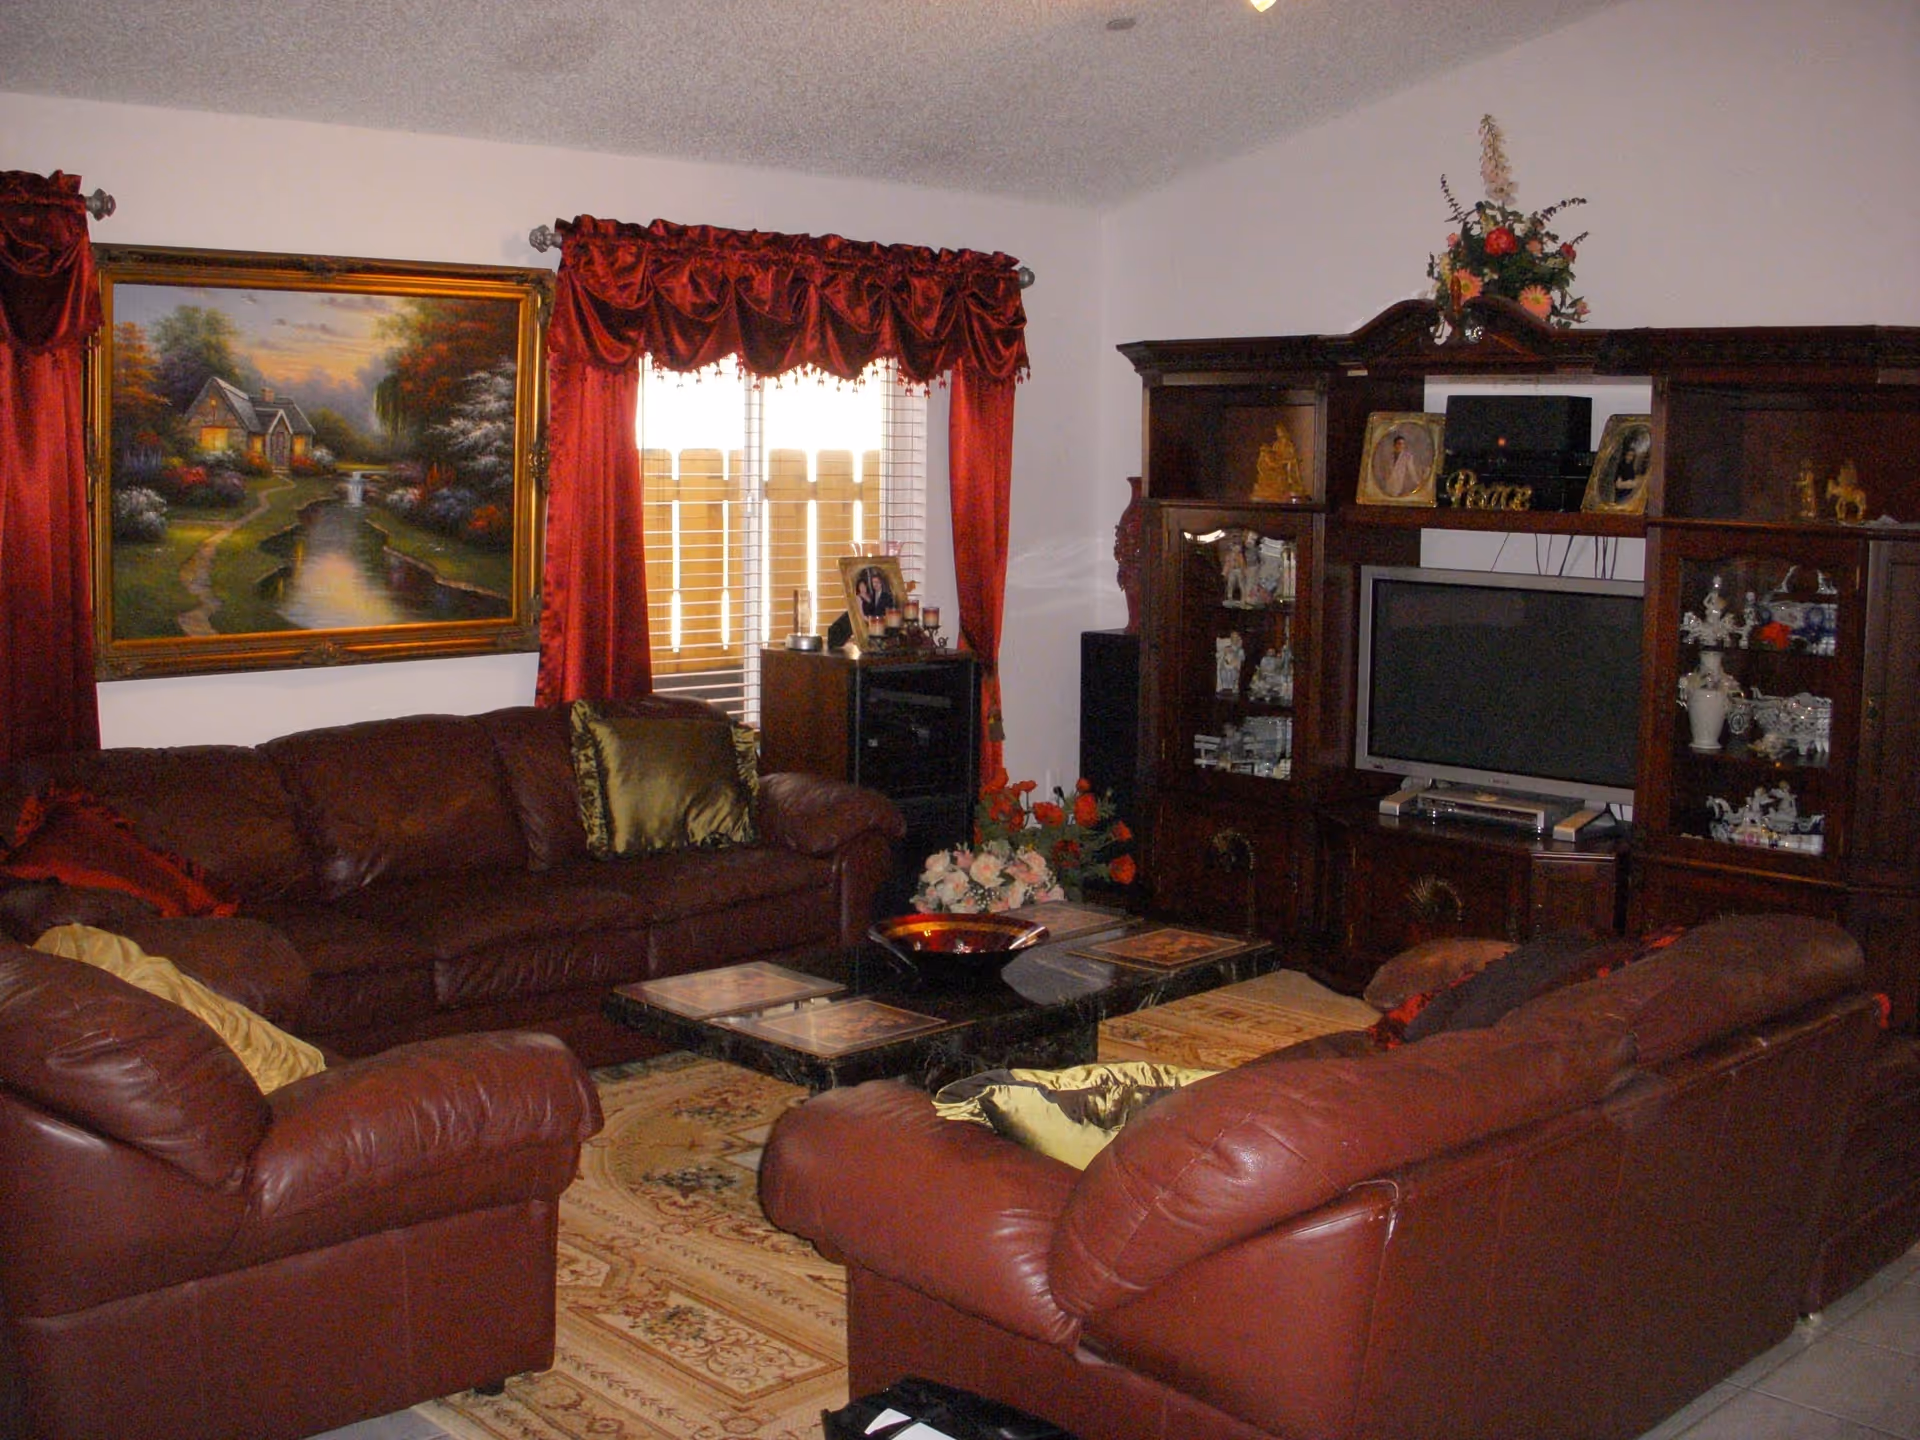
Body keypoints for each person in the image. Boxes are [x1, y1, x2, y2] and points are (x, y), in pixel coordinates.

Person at [1379, 431, 1424, 498]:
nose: (1401, 446)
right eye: (1399, 444)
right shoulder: (1389, 456)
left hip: (1400, 484)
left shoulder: (1407, 456)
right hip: (1388, 484)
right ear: (1395, 445)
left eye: (1403, 444)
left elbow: (1412, 471)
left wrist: (1418, 483)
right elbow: (1384, 470)